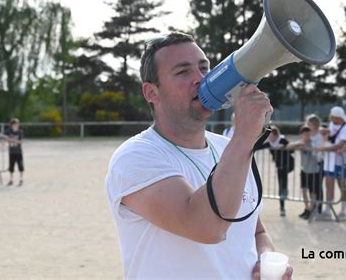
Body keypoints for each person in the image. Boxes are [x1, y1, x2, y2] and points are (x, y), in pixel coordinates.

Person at [105, 32, 292, 279]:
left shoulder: (229, 148)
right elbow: (208, 228)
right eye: (183, 72)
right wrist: (244, 137)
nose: (200, 79)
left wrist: (266, 260)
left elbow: (255, 232)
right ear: (151, 93)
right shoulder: (134, 158)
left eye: (204, 68)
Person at [314, 106, 346, 221]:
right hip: (330, 160)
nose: (331, 118)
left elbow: (340, 145)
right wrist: (324, 131)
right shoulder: (332, 124)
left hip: (341, 161)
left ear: (338, 117)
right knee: (329, 186)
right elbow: (330, 136)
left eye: (333, 117)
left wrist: (322, 149)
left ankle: (343, 210)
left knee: (342, 186)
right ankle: (328, 210)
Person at [257, 126, 295, 217]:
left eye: (270, 135)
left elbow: (292, 149)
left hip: (289, 164)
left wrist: (284, 147)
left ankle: (284, 191)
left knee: (283, 178)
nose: (269, 137)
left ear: (275, 135)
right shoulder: (270, 143)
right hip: (280, 167)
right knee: (281, 184)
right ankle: (282, 206)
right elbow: (258, 146)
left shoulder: (282, 140)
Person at [288, 125, 322, 220]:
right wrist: (296, 145)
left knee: (313, 192)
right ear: (301, 135)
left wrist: (307, 147)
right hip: (304, 170)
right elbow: (288, 146)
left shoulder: (314, 143)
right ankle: (307, 208)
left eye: (308, 134)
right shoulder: (300, 142)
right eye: (305, 134)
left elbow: (317, 153)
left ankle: (311, 209)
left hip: (314, 171)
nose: (307, 136)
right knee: (303, 190)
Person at [305, 114, 325, 215]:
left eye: (309, 123)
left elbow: (319, 149)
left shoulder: (320, 134)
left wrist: (310, 148)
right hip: (310, 162)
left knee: (317, 186)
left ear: (314, 124)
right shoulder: (308, 134)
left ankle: (319, 207)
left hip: (318, 162)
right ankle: (313, 207)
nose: (307, 125)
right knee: (310, 186)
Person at [0, 118, 25, 186]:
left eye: (17, 124)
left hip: (18, 152)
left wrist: (10, 139)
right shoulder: (9, 131)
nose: (16, 125)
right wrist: (5, 137)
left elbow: (21, 141)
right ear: (12, 125)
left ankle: (21, 179)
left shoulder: (20, 132)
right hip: (11, 152)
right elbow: (0, 134)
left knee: (20, 165)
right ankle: (11, 180)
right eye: (15, 124)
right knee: (11, 166)